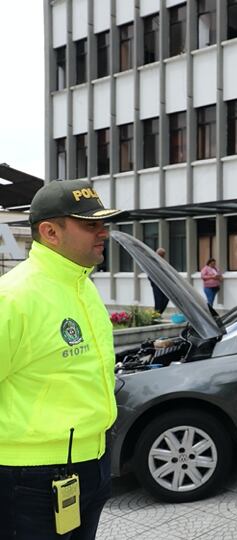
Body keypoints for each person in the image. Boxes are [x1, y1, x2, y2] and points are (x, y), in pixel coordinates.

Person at [0, 179, 122, 539]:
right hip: (31, 479)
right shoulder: (14, 298)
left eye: (104, 223)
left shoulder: (82, 286)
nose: (104, 232)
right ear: (50, 232)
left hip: (91, 465)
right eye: (90, 225)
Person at [150, 247, 169, 315]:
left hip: (164, 284)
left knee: (166, 299)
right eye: (161, 254)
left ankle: (158, 314)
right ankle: (156, 315)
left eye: (163, 255)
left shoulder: (163, 262)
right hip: (156, 284)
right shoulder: (153, 262)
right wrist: (154, 283)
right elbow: (149, 274)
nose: (162, 256)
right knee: (158, 301)